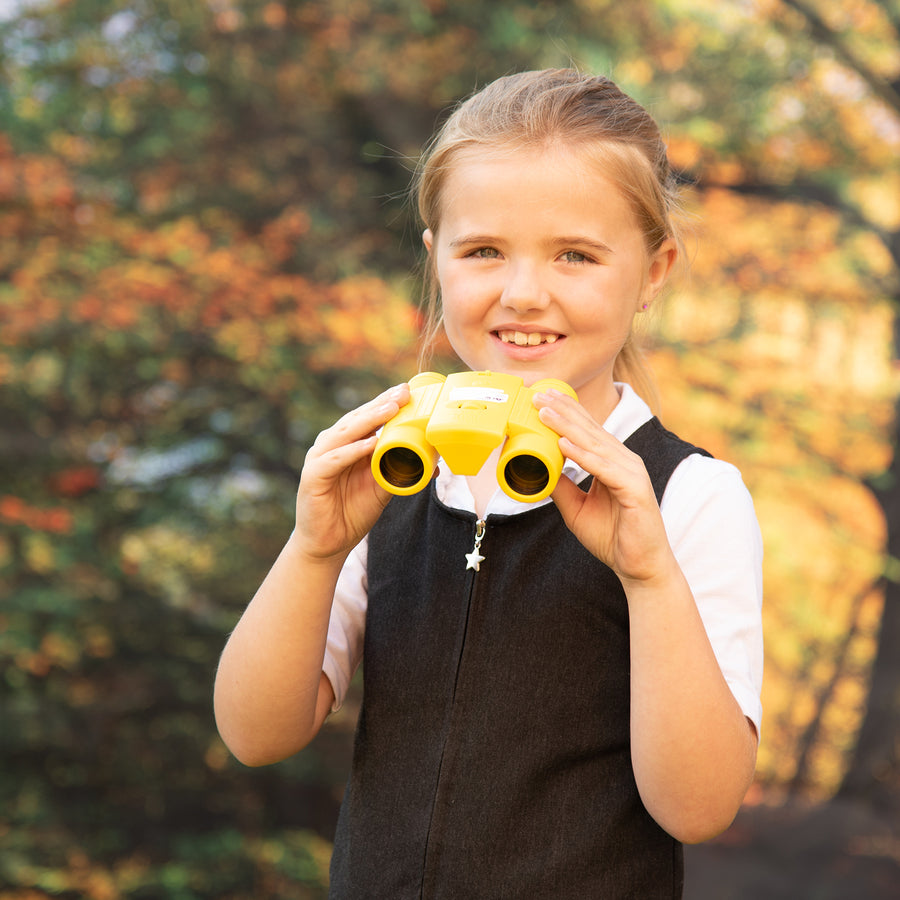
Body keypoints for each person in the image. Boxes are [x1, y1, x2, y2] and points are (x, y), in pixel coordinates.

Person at [214, 68, 764, 899]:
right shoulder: (394, 472)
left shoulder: (686, 494)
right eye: (482, 252)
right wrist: (314, 548)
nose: (523, 293)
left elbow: (699, 807)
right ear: (437, 263)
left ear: (653, 272)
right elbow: (255, 734)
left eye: (575, 255)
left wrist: (649, 576)